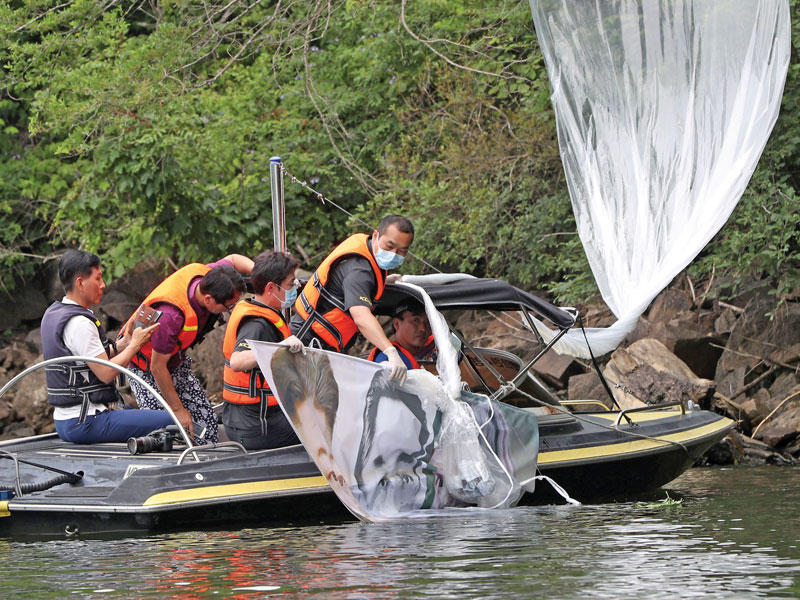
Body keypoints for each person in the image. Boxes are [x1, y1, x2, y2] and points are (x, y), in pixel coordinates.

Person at [41, 250, 174, 444]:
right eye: (98, 278)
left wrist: (125, 343)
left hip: (66, 420)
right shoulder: (79, 323)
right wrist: (136, 345)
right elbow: (105, 373)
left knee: (134, 412)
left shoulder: (54, 313)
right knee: (171, 419)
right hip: (86, 422)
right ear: (80, 283)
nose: (103, 285)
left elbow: (89, 357)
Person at [124, 255, 254, 444]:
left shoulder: (210, 276)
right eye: (228, 306)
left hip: (175, 362)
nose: (231, 310)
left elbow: (234, 259)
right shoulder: (171, 317)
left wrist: (257, 272)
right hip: (146, 367)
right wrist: (178, 410)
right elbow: (157, 368)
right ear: (208, 299)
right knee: (165, 428)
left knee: (207, 428)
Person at [290, 214, 414, 383]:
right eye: (390, 246)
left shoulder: (368, 250)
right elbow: (361, 316)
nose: (394, 254)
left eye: (401, 251)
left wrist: (383, 281)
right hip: (305, 343)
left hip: (325, 347)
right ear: (376, 235)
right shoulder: (359, 271)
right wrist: (390, 351)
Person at [221, 250, 305, 450]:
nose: (295, 287)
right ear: (271, 288)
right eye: (290, 283)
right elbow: (237, 361)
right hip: (256, 425)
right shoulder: (257, 324)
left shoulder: (260, 308)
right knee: (323, 425)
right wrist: (278, 348)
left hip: (246, 418)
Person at [368, 299, 433, 369]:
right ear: (397, 324)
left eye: (427, 323)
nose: (423, 328)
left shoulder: (432, 350)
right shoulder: (388, 358)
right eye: (416, 320)